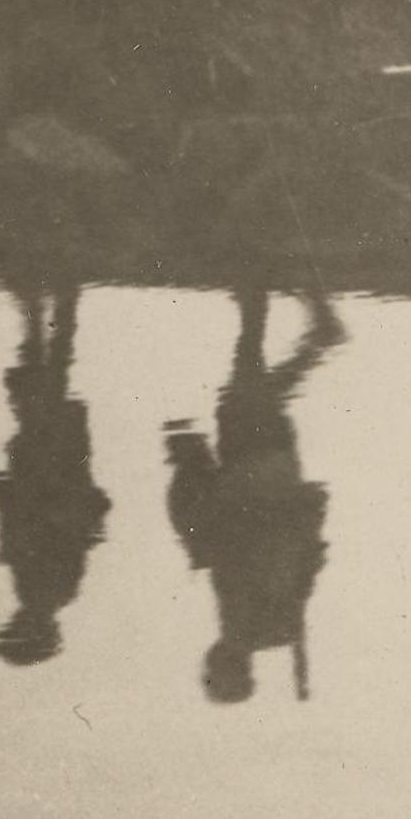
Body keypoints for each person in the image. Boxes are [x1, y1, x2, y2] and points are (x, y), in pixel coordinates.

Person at [166, 290, 341, 704]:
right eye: (213, 672)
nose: (207, 664)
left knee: (251, 391)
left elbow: (307, 564)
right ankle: (267, 307)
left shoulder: (274, 628)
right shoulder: (241, 623)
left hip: (280, 478)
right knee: (246, 390)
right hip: (250, 482)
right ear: (227, 667)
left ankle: (300, 330)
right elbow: (238, 547)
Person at [0, 282, 110, 665]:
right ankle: (48, 309)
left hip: (52, 470)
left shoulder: (48, 592)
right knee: (46, 389)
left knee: (47, 388)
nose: (13, 621)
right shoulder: (43, 591)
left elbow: (20, 522)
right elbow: (26, 522)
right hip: (51, 470)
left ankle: (50, 310)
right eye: (16, 629)